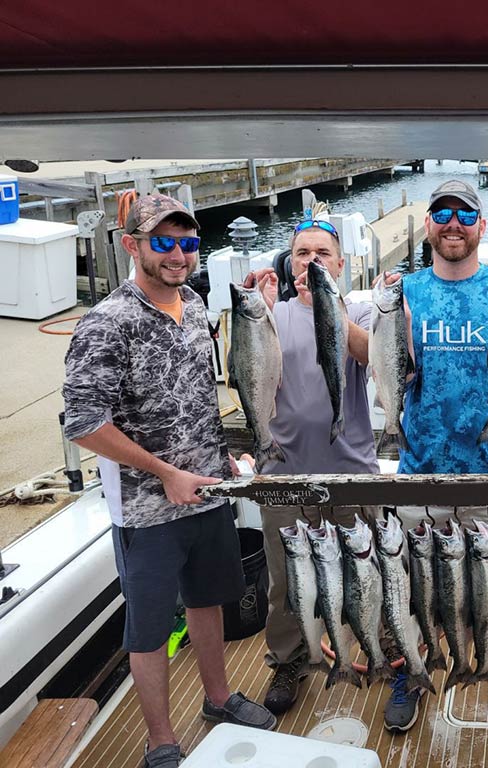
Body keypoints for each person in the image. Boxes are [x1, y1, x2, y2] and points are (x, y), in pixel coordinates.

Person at [62, 194, 276, 768]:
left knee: (209, 603)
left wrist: (219, 456)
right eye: (164, 242)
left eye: (188, 243)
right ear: (131, 245)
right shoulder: (107, 322)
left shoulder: (199, 305)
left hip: (208, 491)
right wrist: (164, 473)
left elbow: (199, 394)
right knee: (150, 627)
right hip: (145, 511)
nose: (179, 254)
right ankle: (161, 739)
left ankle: (219, 698)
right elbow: (83, 421)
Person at [383, 179, 488, 735]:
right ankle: (412, 670)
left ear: (483, 226)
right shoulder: (403, 292)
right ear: (428, 226)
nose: (452, 222)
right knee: (412, 586)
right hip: (420, 469)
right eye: (441, 213)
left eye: (464, 213)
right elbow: (391, 371)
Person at [245, 215, 379, 718]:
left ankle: (377, 643)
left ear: (341, 264)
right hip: (284, 474)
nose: (312, 262)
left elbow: (370, 357)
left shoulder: (363, 311)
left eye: (322, 254)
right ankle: (289, 657)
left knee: (368, 568)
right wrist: (258, 306)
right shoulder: (271, 316)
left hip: (351, 471)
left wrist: (330, 306)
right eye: (302, 253)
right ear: (289, 260)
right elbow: (247, 369)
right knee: (286, 580)